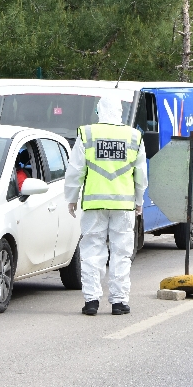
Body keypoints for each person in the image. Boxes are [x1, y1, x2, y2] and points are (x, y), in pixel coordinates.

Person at [65, 96, 147, 316]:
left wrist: (71, 198)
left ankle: (91, 301)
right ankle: (119, 302)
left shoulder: (88, 133)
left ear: (99, 111)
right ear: (120, 111)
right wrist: (139, 201)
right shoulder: (134, 136)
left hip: (94, 203)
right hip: (124, 204)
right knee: (121, 253)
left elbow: (75, 169)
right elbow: (140, 174)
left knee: (92, 251)